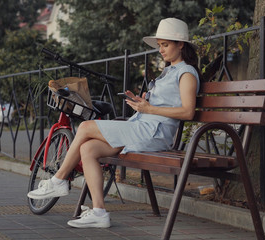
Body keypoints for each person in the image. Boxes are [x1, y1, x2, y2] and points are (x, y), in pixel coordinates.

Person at [27, 17, 201, 229]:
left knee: (85, 127)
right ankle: (99, 212)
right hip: (142, 127)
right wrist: (143, 103)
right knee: (88, 148)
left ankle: (59, 180)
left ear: (180, 44)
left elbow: (188, 111)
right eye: (159, 46)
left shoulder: (186, 73)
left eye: (165, 45)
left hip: (153, 134)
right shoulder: (170, 71)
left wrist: (149, 108)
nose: (161, 50)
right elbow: (164, 104)